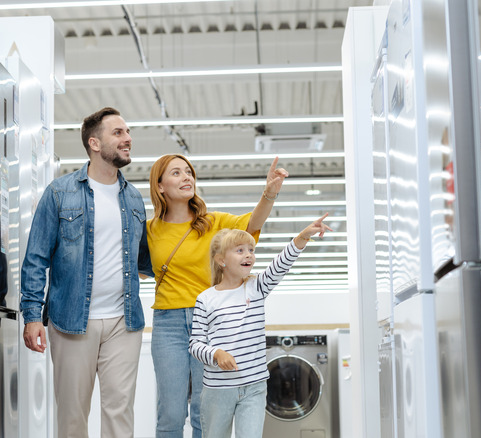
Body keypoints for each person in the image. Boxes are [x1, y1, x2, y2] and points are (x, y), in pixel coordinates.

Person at [20, 107, 152, 438]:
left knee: (119, 411)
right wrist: (32, 316)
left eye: (128, 132)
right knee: (73, 414)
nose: (128, 139)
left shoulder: (134, 198)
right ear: (94, 143)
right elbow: (36, 257)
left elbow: (144, 260)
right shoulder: (60, 192)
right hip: (71, 320)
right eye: (118, 133)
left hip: (125, 322)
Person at [147, 154, 288, 438]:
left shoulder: (213, 222)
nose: (187, 177)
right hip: (168, 323)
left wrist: (269, 194)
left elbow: (250, 225)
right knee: (170, 412)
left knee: (204, 409)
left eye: (189, 172)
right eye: (177, 173)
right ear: (160, 186)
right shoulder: (149, 230)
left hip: (210, 321)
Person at [188, 215, 332, 438]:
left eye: (251, 250)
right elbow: (195, 344)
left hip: (254, 387)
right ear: (220, 260)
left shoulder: (256, 288)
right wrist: (216, 353)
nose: (248, 255)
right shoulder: (205, 299)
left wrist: (303, 236)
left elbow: (280, 264)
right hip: (217, 389)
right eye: (240, 250)